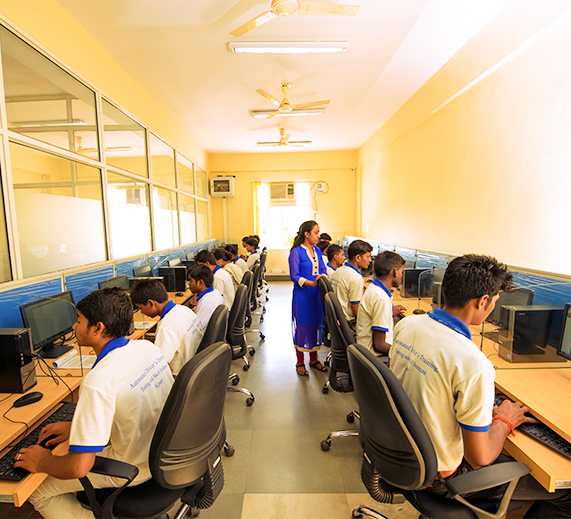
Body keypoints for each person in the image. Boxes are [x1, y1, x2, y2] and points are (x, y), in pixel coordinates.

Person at [389, 255, 571, 517]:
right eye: (495, 300)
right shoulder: (474, 364)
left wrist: (482, 409)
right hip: (440, 478)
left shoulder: (408, 325)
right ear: (483, 301)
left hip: (404, 454)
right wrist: (505, 421)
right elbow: (480, 458)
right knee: (565, 493)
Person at [17, 288, 173, 519]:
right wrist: (77, 428)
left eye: (79, 321)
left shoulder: (98, 380)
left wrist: (44, 461)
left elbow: (78, 467)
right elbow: (130, 409)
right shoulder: (146, 348)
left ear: (98, 328)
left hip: (133, 467)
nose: (74, 327)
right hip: (161, 454)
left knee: (38, 491)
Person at [130, 278, 203, 375]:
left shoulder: (166, 327)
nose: (142, 312)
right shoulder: (184, 310)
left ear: (151, 303)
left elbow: (158, 367)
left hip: (180, 375)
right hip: (195, 369)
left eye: (141, 308)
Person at [288, 220, 328, 376]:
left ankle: (313, 359)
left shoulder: (317, 250)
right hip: (303, 296)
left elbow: (323, 269)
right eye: (316, 233)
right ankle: (300, 361)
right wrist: (311, 283)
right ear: (306, 234)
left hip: (316, 295)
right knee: (302, 327)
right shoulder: (296, 252)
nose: (318, 236)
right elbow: (294, 275)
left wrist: (322, 277)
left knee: (315, 325)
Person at [356, 251, 406, 356]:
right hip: (374, 357)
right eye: (401, 272)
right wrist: (401, 355)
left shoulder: (374, 288)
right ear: (395, 272)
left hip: (364, 351)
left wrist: (388, 313)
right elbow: (379, 345)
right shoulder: (381, 298)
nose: (401, 276)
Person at [330, 239, 373, 323]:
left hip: (337, 320)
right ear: (358, 258)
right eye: (368, 257)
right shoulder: (356, 278)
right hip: (350, 323)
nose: (370, 260)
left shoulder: (338, 271)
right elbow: (356, 312)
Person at [188, 264, 225, 330]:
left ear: (200, 282)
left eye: (191, 280)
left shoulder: (205, 303)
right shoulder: (215, 292)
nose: (188, 284)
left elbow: (195, 331)